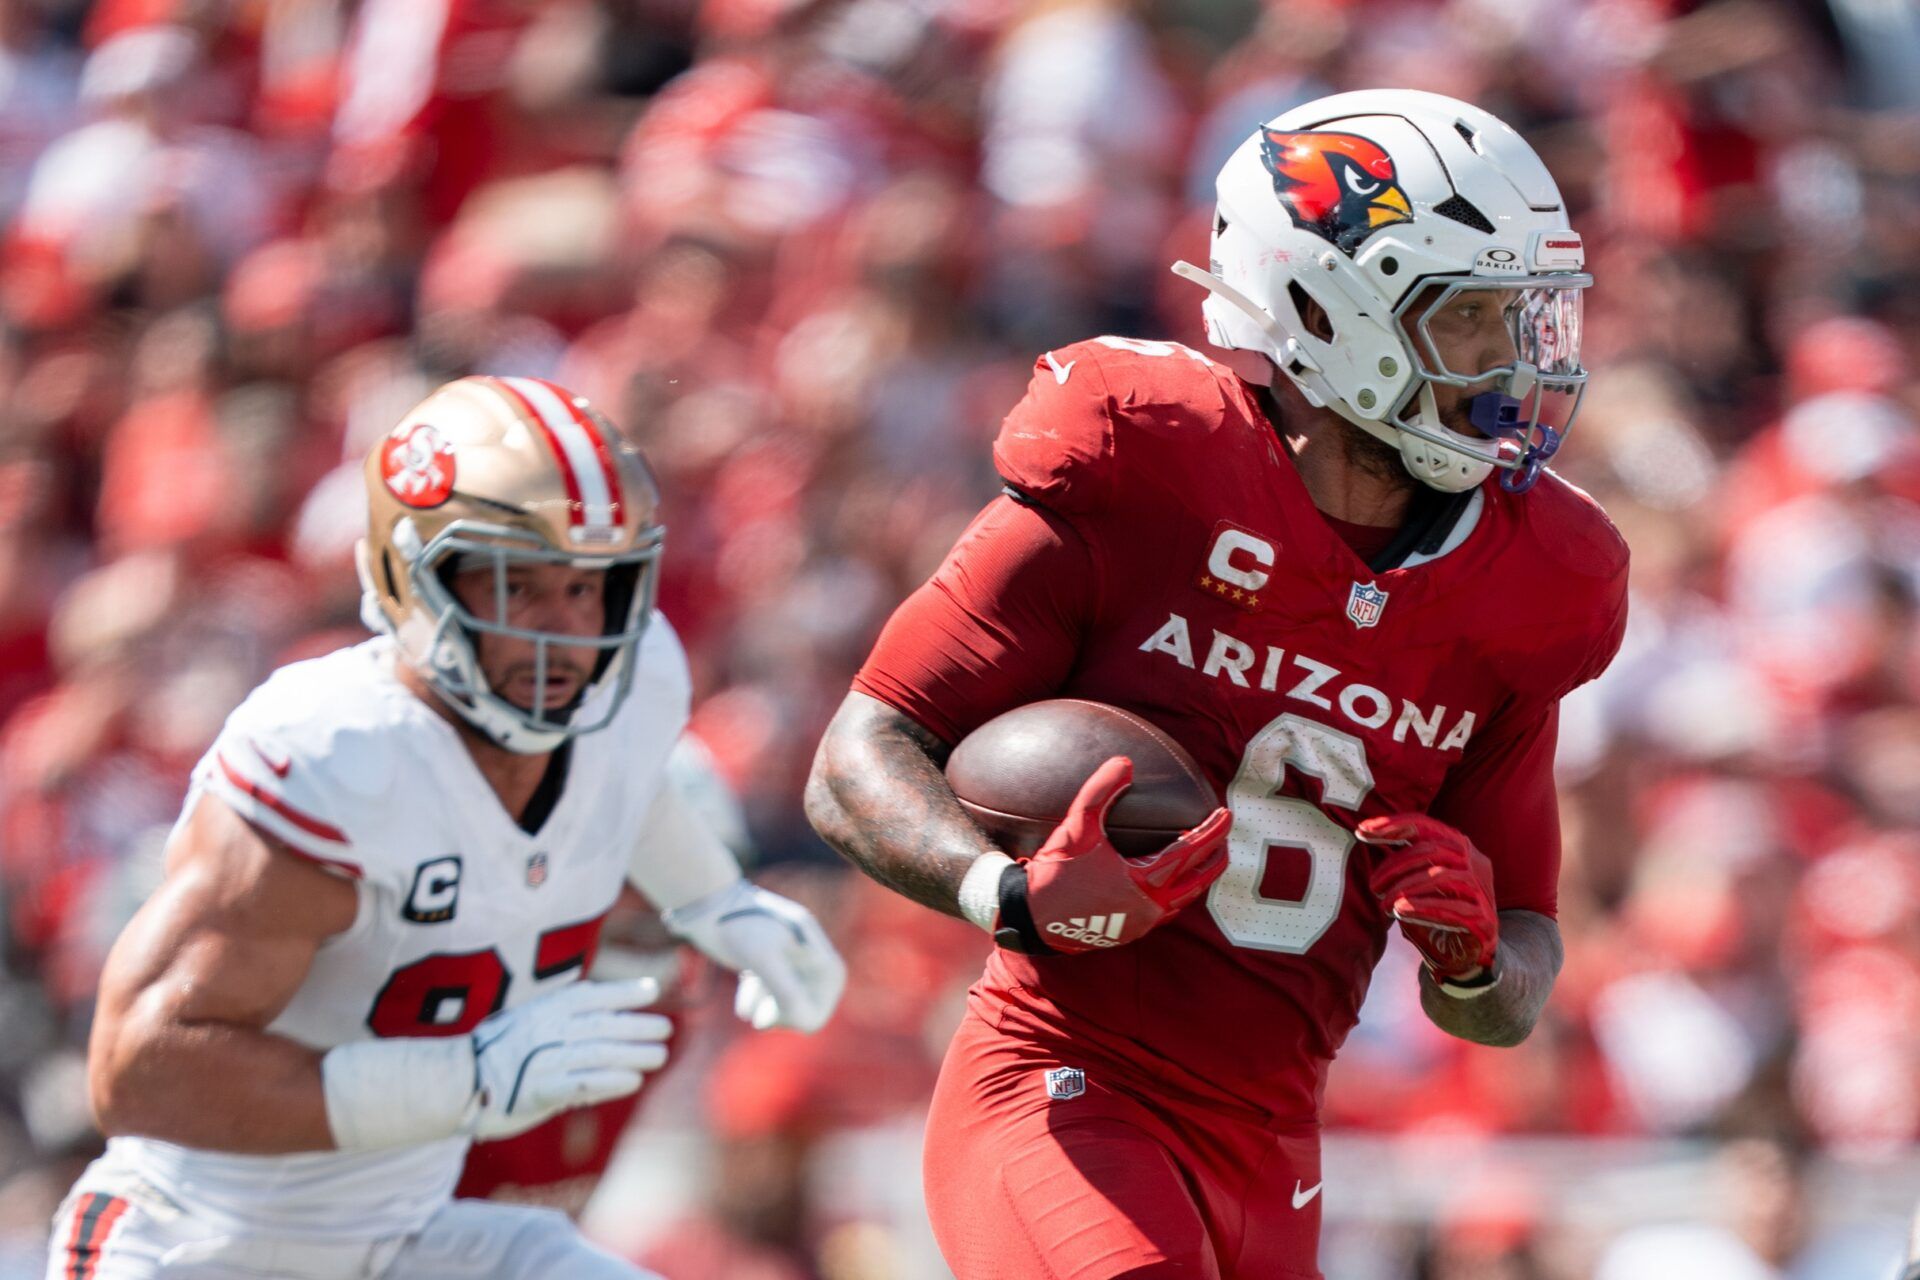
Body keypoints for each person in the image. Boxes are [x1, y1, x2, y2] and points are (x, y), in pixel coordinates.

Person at [806, 89, 1627, 1280]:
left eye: (1526, 321)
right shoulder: (1148, 462)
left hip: (1277, 1151)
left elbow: (1515, 984)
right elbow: (858, 756)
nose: (1512, 364)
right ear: (1325, 305)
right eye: (1470, 322)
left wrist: (1479, 960)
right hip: (1064, 1084)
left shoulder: (1532, 581)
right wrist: (1008, 892)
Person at [51, 375, 847, 1279]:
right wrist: (461, 1082)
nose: (568, 635)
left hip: (408, 1237)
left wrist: (715, 900)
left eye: (592, 589)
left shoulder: (629, 693)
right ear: (408, 575)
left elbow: (625, 788)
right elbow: (141, 1071)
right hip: (203, 1243)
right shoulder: (336, 756)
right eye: (521, 586)